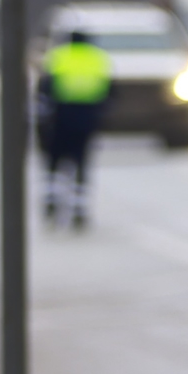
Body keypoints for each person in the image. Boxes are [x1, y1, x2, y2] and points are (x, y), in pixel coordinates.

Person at [38, 29, 113, 228]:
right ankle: (79, 208)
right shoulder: (97, 58)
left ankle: (51, 199)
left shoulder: (59, 55)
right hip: (87, 118)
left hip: (61, 116)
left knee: (55, 160)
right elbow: (109, 89)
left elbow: (45, 86)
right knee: (81, 161)